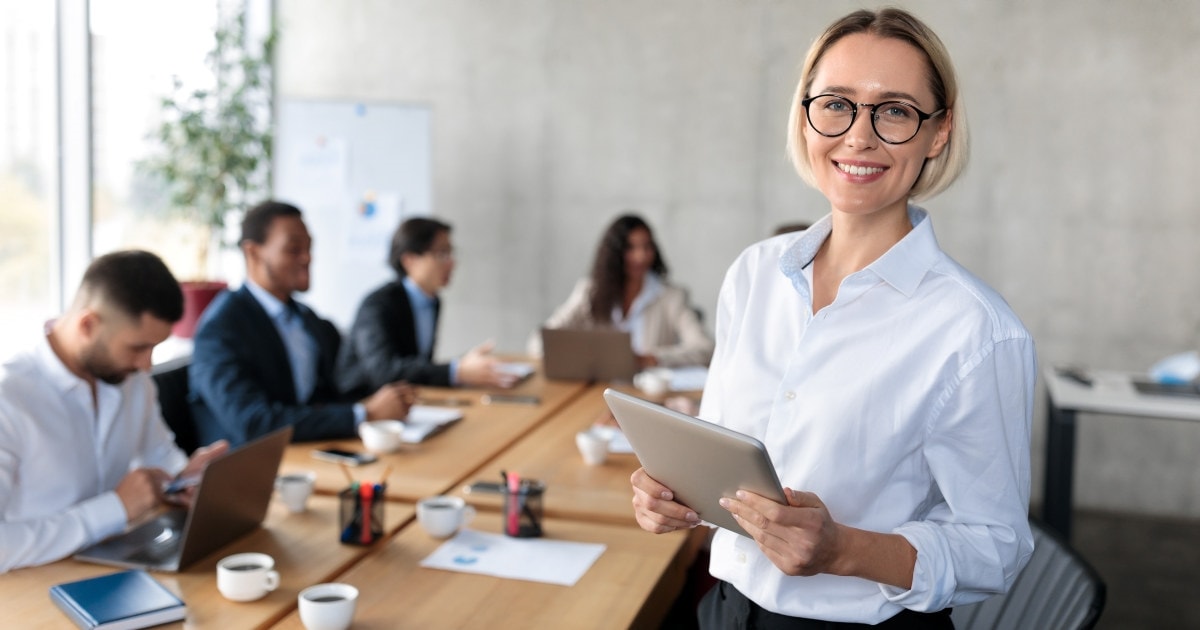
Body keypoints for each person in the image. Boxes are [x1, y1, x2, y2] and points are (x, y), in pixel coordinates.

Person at [630, 8, 1036, 628]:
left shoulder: (975, 330)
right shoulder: (754, 273)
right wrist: (669, 493)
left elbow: (997, 546)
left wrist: (845, 549)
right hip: (723, 609)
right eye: (837, 103)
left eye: (895, 110)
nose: (859, 136)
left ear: (939, 131)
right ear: (805, 113)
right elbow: (719, 452)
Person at [0, 250, 229, 573]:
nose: (146, 364)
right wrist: (115, 508)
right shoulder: (9, 398)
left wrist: (187, 479)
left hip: (116, 566)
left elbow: (159, 454)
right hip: (30, 588)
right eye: (138, 347)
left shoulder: (132, 381)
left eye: (154, 348)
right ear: (87, 325)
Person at [189, 200, 414, 447]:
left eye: (309, 248)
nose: (307, 258)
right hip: (250, 468)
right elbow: (253, 422)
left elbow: (331, 395)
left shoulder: (308, 320)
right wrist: (363, 414)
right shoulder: (220, 329)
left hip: (310, 452)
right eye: (294, 249)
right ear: (253, 252)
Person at [337, 217, 518, 396]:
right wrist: (456, 370)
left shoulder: (434, 301)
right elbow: (384, 371)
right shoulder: (377, 304)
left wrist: (463, 366)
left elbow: (419, 364)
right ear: (409, 260)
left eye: (451, 253)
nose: (451, 263)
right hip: (363, 402)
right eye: (442, 254)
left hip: (408, 401)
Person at [530, 213, 713, 369]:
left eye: (647, 247)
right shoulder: (590, 291)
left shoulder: (671, 297)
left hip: (646, 394)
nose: (640, 256)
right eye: (630, 248)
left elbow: (705, 348)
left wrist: (651, 358)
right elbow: (538, 343)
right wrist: (581, 357)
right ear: (614, 253)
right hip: (595, 391)